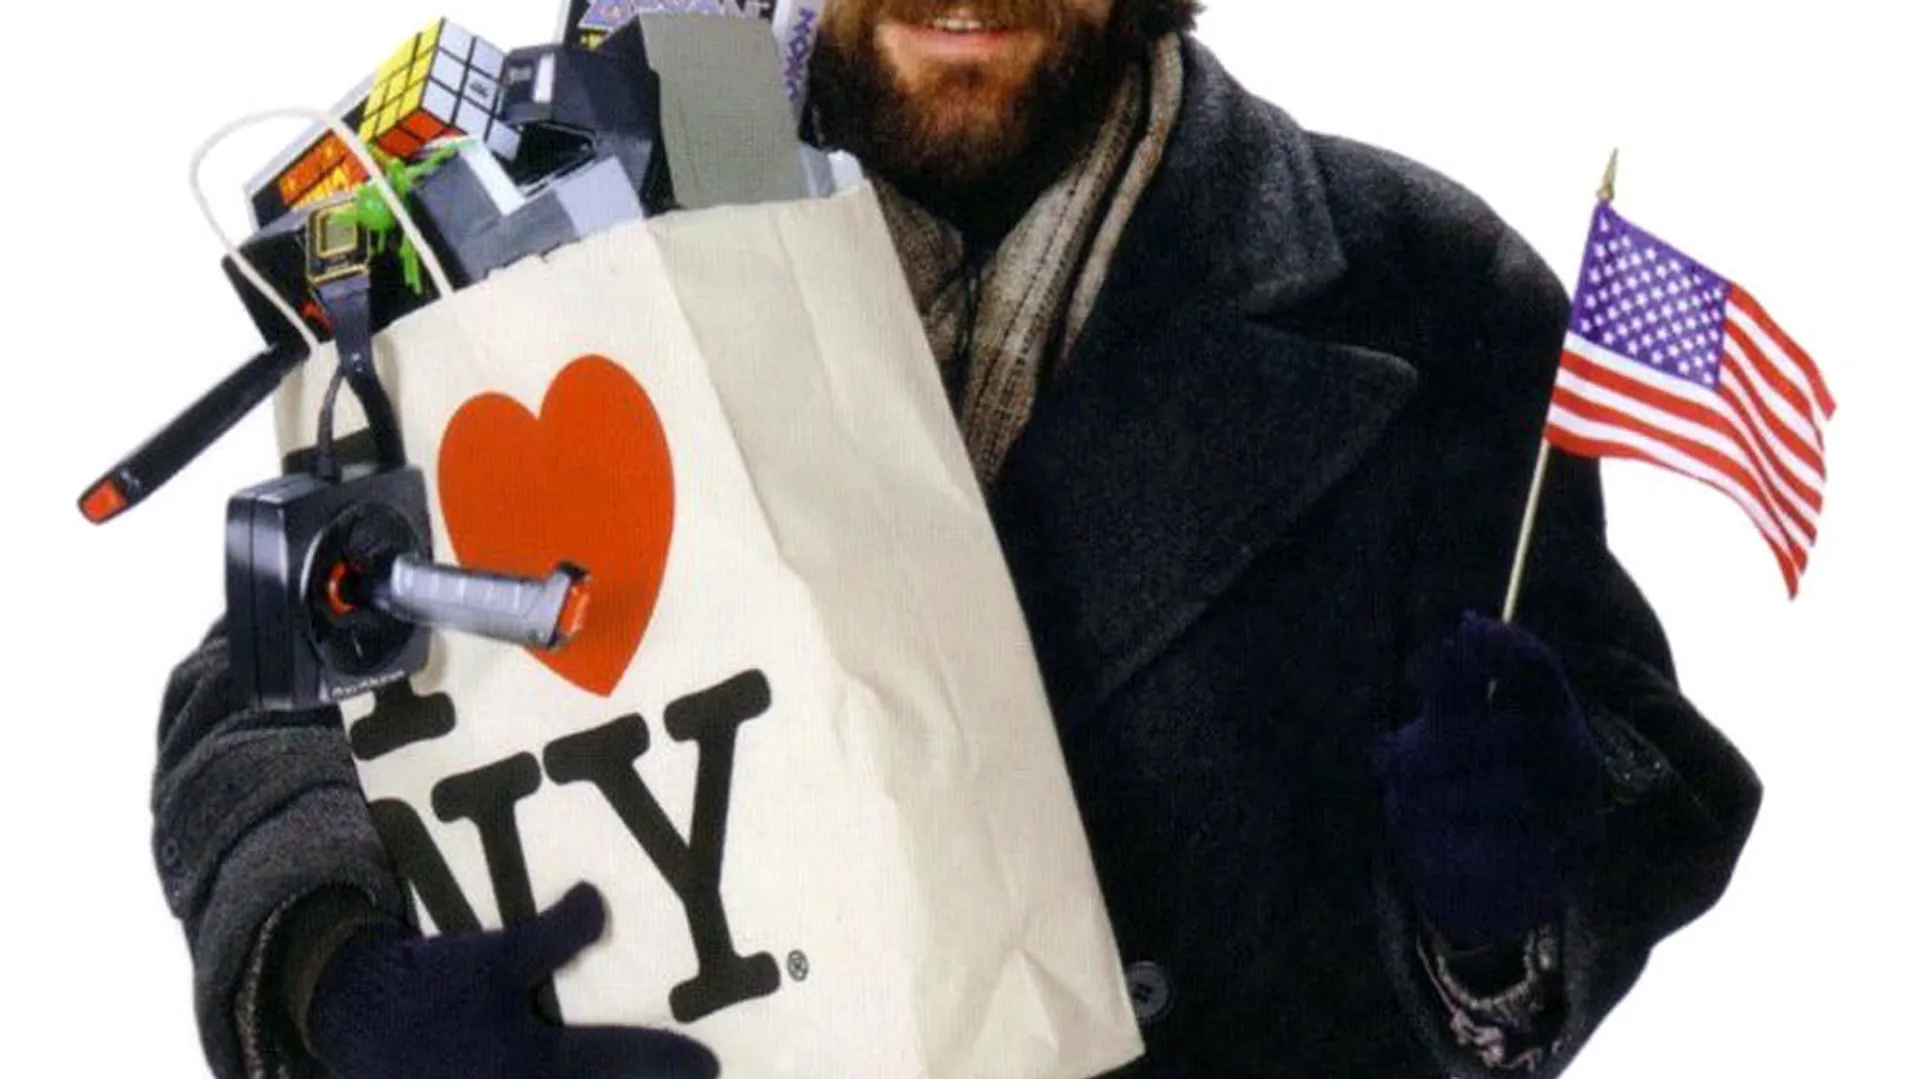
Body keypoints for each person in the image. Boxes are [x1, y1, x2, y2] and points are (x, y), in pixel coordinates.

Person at [150, 1, 1762, 1077]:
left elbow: (1622, 773)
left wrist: (1499, 917)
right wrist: (333, 973)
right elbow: (269, 691)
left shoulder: (1428, 288)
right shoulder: (535, 228)